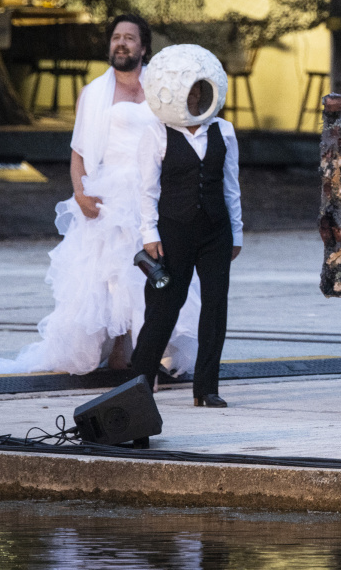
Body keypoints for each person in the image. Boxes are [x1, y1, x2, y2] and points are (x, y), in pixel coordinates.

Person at [0, 14, 201, 377]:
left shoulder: (161, 89)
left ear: (144, 47)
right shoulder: (93, 93)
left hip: (155, 190)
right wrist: (80, 192)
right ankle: (121, 352)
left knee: (156, 274)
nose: (121, 43)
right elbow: (78, 151)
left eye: (129, 38)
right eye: (116, 37)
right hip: (109, 194)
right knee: (114, 277)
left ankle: (147, 351)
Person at [132, 45, 243, 408]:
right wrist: (149, 234)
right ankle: (137, 383)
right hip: (173, 231)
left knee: (215, 307)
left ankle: (206, 388)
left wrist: (236, 233)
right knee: (164, 305)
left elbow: (231, 186)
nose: (194, 96)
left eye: (199, 89)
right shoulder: (157, 132)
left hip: (215, 230)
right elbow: (146, 190)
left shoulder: (223, 129)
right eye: (188, 89)